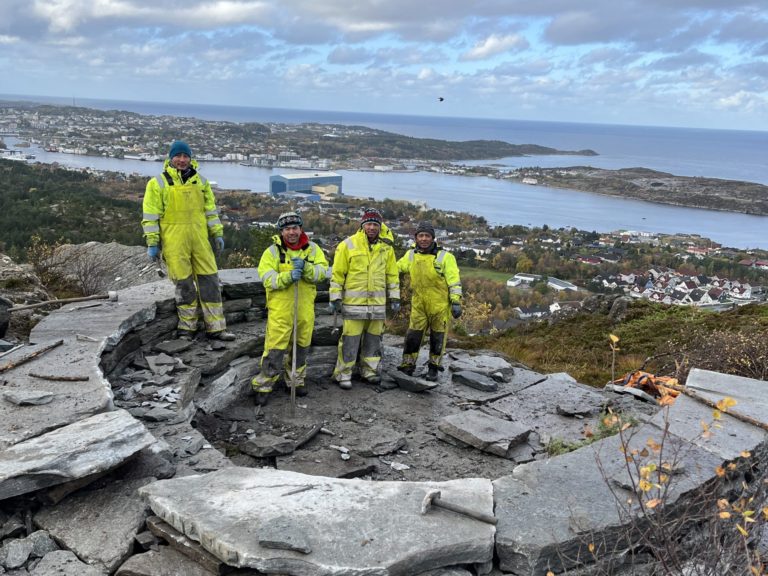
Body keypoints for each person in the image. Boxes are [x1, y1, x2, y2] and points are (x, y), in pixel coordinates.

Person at [142, 140, 235, 341]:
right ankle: (187, 327)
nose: (182, 160)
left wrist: (217, 232)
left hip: (200, 239)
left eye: (186, 156)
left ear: (191, 158)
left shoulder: (200, 182)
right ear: (170, 158)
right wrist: (152, 243)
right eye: (178, 156)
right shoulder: (157, 183)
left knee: (210, 281)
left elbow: (211, 211)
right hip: (174, 241)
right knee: (184, 285)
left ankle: (217, 328)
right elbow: (150, 216)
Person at [251, 211, 329, 406]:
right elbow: (267, 277)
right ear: (281, 231)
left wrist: (306, 269)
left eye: (295, 227)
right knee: (275, 349)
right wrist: (287, 277)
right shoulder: (272, 252)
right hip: (280, 310)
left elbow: (321, 272)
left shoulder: (313, 250)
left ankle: (296, 381)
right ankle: (264, 385)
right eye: (287, 229)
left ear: (301, 229)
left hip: (304, 309)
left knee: (301, 347)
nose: (291, 232)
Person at [330, 208, 400, 389]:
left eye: (375, 225)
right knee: (349, 341)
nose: (372, 228)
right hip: (354, 305)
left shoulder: (387, 249)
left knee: (373, 339)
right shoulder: (348, 245)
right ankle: (343, 374)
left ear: (380, 226)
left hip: (377, 306)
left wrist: (395, 297)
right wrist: (335, 297)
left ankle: (369, 371)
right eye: (368, 224)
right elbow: (337, 274)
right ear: (362, 225)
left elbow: (392, 275)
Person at [397, 221, 462, 381]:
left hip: (439, 306)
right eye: (421, 235)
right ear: (416, 238)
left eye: (427, 236)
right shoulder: (411, 255)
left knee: (437, 338)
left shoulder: (445, 257)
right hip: (419, 305)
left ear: (433, 238)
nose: (424, 239)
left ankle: (433, 368)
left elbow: (454, 280)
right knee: (413, 336)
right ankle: (407, 365)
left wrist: (455, 301)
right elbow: (396, 267)